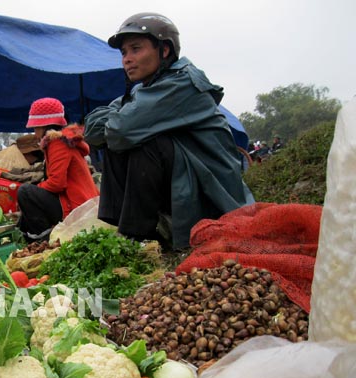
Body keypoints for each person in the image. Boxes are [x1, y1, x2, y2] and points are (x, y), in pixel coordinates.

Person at [84, 13, 253, 249]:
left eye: (136, 49)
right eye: (124, 53)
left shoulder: (183, 83)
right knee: (126, 139)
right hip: (183, 187)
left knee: (142, 141)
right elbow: (91, 128)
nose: (127, 59)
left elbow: (121, 131)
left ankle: (139, 235)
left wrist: (123, 120)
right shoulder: (142, 90)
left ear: (164, 50)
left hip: (211, 196)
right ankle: (141, 230)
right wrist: (123, 119)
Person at [17, 97, 99, 242]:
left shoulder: (57, 143)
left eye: (36, 128)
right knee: (29, 201)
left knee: (25, 192)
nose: (35, 132)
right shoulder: (60, 142)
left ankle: (46, 240)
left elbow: (57, 183)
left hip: (77, 205)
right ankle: (30, 237)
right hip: (80, 202)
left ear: (45, 127)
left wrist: (36, 189)